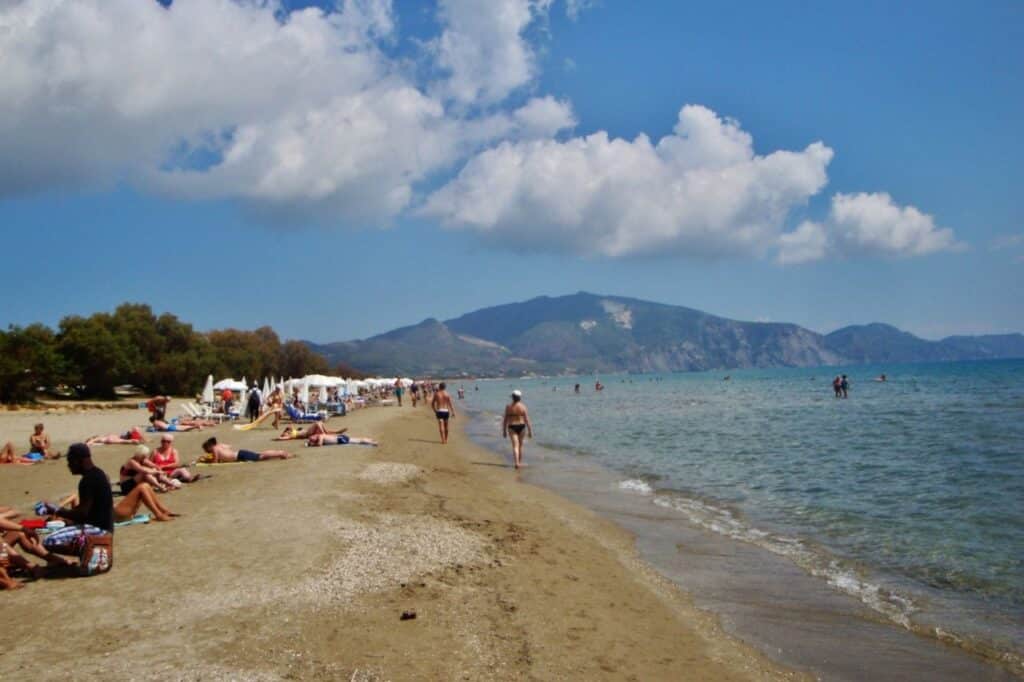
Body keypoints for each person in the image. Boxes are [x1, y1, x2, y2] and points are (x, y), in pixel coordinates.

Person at [42, 443, 114, 560]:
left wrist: (57, 511)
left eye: (71, 461)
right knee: (64, 530)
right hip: (106, 528)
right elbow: (88, 509)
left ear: (80, 461)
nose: (69, 465)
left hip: (98, 530)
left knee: (49, 541)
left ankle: (89, 552)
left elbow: (82, 514)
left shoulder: (88, 480)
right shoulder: (99, 473)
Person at [502, 390, 533, 470]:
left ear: (512, 397)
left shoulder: (508, 407)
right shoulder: (523, 406)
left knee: (515, 446)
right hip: (521, 426)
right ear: (520, 398)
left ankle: (516, 463)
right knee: (520, 446)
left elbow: (505, 419)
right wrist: (530, 431)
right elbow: (527, 420)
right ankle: (519, 462)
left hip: (512, 426)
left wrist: (504, 431)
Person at [201, 437, 293, 463]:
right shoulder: (219, 445)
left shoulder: (214, 449)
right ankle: (280, 453)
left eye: (206, 449)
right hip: (240, 453)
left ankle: (281, 453)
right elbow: (228, 446)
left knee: (260, 457)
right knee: (260, 454)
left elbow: (215, 461)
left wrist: (206, 460)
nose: (206, 451)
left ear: (209, 447)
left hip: (240, 456)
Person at [273, 423, 345, 441]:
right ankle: (324, 434)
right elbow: (283, 438)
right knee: (318, 423)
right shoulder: (290, 435)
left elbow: (289, 426)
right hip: (307, 433)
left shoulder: (292, 431)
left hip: (308, 432)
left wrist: (286, 430)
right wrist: (278, 438)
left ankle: (337, 432)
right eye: (285, 433)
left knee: (320, 424)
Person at [306, 432, 378, 447]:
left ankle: (372, 443)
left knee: (358, 441)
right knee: (357, 440)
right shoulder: (321, 436)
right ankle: (371, 440)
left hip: (340, 439)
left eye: (311, 438)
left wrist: (311, 445)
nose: (311, 439)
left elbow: (319, 444)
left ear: (315, 435)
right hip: (339, 438)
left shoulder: (320, 436)